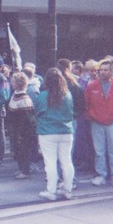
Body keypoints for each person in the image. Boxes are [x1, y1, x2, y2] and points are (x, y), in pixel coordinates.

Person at [85, 59, 113, 188]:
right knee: (99, 151)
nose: (103, 72)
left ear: (111, 71)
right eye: (101, 70)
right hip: (96, 123)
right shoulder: (91, 86)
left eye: (106, 70)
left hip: (112, 123)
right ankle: (100, 175)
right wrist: (92, 116)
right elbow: (86, 104)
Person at [33, 68, 75, 201]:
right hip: (65, 131)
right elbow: (70, 113)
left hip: (47, 132)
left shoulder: (42, 95)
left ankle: (51, 191)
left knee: (50, 162)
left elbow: (37, 112)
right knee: (66, 161)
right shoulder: (67, 95)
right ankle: (67, 189)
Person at [7, 72, 36, 179]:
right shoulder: (15, 95)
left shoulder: (24, 99)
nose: (11, 83)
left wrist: (21, 132)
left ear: (19, 83)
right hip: (16, 129)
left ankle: (25, 171)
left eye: (13, 82)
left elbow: (27, 119)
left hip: (23, 130)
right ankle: (21, 169)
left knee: (24, 150)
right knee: (18, 150)